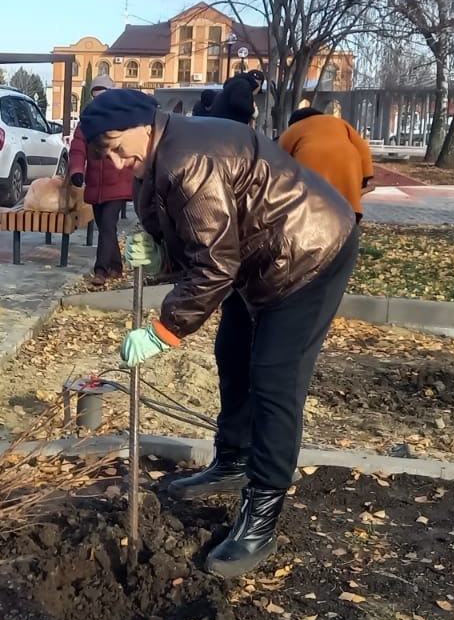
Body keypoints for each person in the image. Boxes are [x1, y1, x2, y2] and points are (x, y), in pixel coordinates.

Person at [80, 89, 358, 580]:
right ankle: (231, 460)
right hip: (259, 258)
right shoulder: (156, 157)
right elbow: (195, 240)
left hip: (311, 252)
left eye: (121, 147)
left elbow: (212, 265)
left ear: (145, 122)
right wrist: (158, 254)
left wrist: (164, 331)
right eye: (109, 155)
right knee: (232, 353)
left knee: (274, 377)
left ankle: (262, 512)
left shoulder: (188, 160)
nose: (121, 163)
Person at [67, 74, 133, 281]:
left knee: (106, 225)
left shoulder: (124, 120)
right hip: (96, 185)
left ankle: (101, 270)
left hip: (119, 182)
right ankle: (116, 267)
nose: (99, 100)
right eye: (96, 96)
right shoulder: (87, 121)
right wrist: (77, 171)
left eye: (103, 95)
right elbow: (78, 148)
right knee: (106, 227)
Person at [279, 103, 375, 220]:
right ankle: (350, 222)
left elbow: (280, 159)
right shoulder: (339, 122)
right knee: (348, 200)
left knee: (312, 205)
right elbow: (363, 149)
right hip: (347, 162)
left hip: (310, 163)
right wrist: (365, 179)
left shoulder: (293, 128)